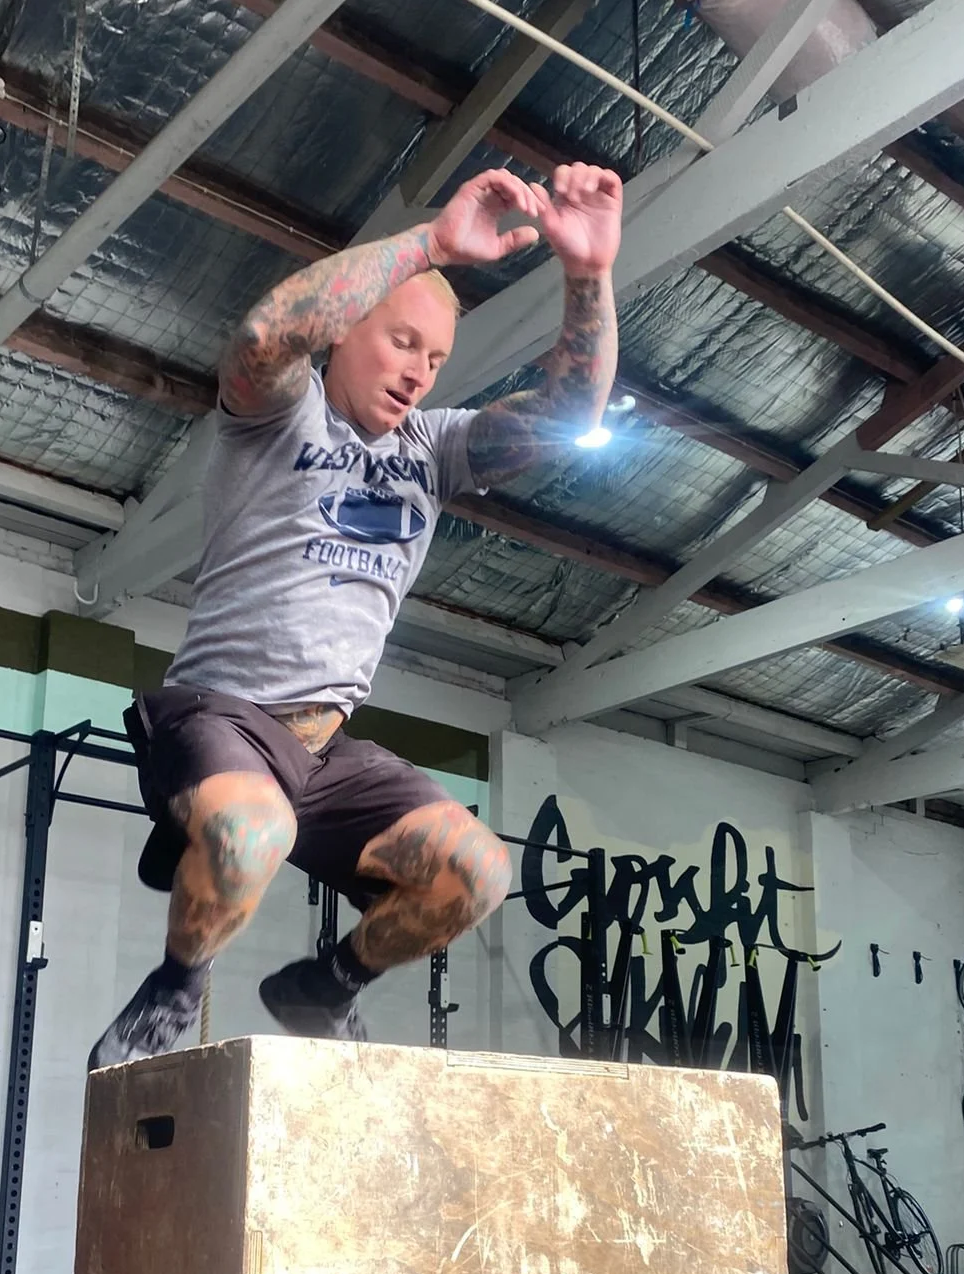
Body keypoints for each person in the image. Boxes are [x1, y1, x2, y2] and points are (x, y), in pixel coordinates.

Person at [89, 161, 622, 1069]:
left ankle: (323, 986)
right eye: (401, 343)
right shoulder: (280, 418)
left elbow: (568, 413)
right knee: (257, 834)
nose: (417, 374)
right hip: (222, 714)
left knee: (478, 873)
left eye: (435, 359)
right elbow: (265, 334)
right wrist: (435, 244)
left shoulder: (434, 448)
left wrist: (588, 273)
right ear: (343, 335)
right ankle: (175, 987)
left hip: (324, 751)